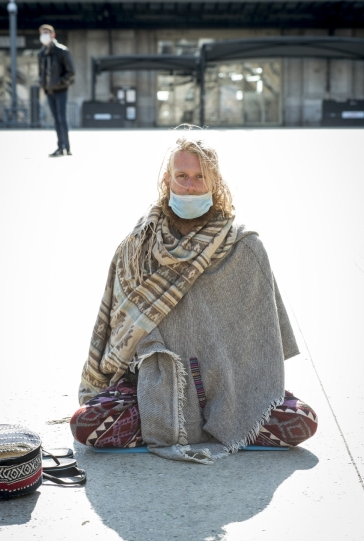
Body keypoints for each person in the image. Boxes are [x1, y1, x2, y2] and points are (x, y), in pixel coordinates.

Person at [72, 132, 318, 464]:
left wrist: (230, 382)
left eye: (200, 177)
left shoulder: (244, 246)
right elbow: (119, 330)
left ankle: (215, 425)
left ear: (215, 182)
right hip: (155, 390)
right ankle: (172, 423)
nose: (190, 186)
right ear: (167, 180)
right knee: (86, 425)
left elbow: (263, 344)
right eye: (182, 176)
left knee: (303, 421)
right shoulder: (137, 246)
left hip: (232, 391)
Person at [38, 24, 75, 157]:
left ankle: (65, 147)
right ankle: (61, 146)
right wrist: (42, 84)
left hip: (60, 90)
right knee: (55, 119)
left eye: (47, 32)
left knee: (61, 118)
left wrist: (59, 82)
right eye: (42, 33)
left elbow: (71, 72)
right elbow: (41, 72)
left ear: (53, 35)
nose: (44, 35)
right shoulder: (41, 53)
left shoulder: (62, 51)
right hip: (49, 91)